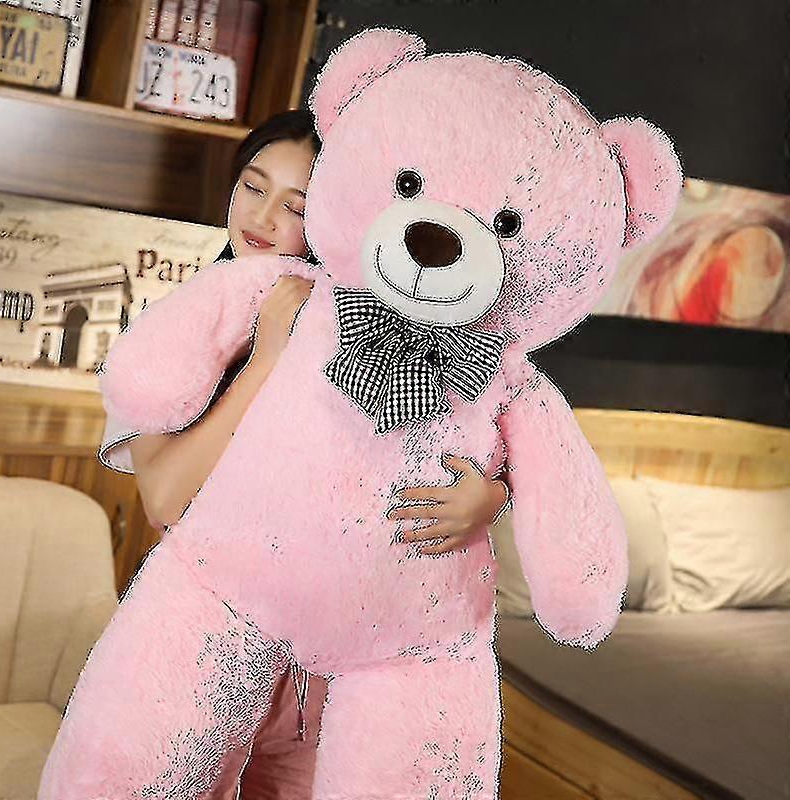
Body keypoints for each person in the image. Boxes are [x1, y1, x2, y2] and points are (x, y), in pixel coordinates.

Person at [97, 108, 512, 799]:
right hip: (204, 646)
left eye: (296, 206)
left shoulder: (371, 333)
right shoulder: (176, 331)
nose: (262, 218)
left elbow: (466, 429)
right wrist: (266, 359)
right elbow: (164, 497)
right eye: (253, 187)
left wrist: (491, 495)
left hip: (322, 672)